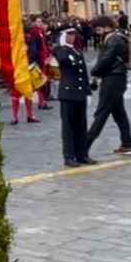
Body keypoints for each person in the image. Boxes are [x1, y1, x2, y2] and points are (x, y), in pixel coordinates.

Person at [84, 16, 131, 158]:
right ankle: (127, 143)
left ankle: (85, 145)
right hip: (117, 78)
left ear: (106, 27)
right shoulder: (119, 37)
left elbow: (106, 59)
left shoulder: (113, 39)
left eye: (99, 29)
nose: (98, 33)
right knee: (119, 113)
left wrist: (94, 71)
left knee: (102, 112)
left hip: (112, 79)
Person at [51, 27, 93, 167]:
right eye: (69, 34)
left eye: (74, 34)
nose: (72, 37)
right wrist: (61, 44)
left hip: (79, 92)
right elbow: (59, 61)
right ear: (63, 36)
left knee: (81, 125)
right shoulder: (61, 51)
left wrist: (88, 90)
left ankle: (82, 154)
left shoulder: (77, 50)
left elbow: (83, 72)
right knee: (68, 126)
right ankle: (69, 156)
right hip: (68, 93)